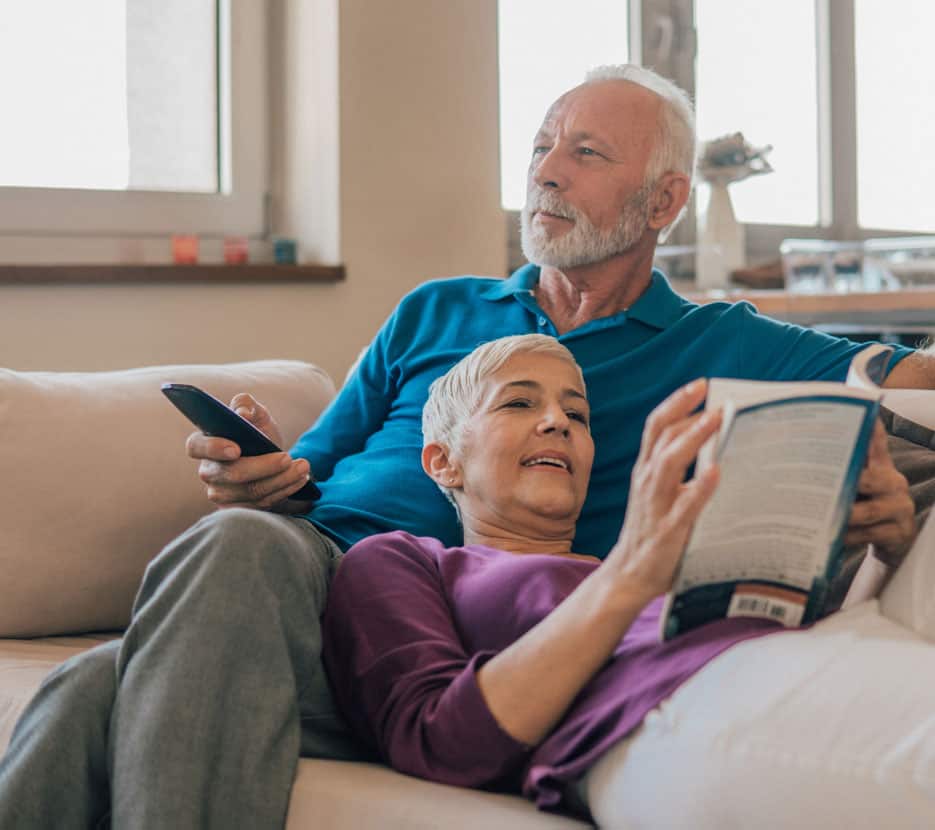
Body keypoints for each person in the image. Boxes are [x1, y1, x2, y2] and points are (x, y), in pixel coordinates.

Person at [0, 63, 933, 828]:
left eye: (584, 152)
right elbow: (305, 477)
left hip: (459, 616)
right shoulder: (437, 308)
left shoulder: (727, 341)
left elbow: (911, 383)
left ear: (663, 201)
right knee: (120, 658)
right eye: (538, 148)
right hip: (305, 575)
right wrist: (257, 472)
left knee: (99, 686)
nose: (545, 172)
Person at [322, 333, 923, 826]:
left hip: (817, 653)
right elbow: (438, 742)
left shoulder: (643, 559)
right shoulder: (401, 559)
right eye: (519, 403)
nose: (557, 421)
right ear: (442, 460)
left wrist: (887, 551)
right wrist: (634, 575)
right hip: (653, 715)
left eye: (576, 413)